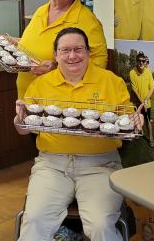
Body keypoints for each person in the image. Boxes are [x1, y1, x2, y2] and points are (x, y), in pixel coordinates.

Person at [14, 27, 143, 241]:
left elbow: (127, 121)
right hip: (51, 166)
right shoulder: (41, 84)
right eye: (65, 50)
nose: (72, 56)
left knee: (101, 225)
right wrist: (19, 120)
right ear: (55, 55)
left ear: (88, 52)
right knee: (35, 220)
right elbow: (23, 129)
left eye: (78, 49)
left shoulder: (111, 81)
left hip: (100, 167)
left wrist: (136, 121)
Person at [13, 0, 108, 99]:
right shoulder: (41, 11)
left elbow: (99, 65)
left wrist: (58, 69)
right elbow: (30, 44)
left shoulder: (87, 21)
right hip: (27, 98)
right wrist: (2, 39)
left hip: (60, 102)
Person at [129, 52, 154, 147]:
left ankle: (151, 139)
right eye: (139, 61)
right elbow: (134, 89)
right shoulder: (132, 72)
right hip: (136, 102)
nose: (141, 63)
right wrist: (141, 102)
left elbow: (152, 88)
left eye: (143, 61)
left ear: (145, 62)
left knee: (148, 121)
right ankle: (137, 133)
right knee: (137, 119)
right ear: (136, 61)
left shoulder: (148, 72)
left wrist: (145, 102)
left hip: (147, 103)